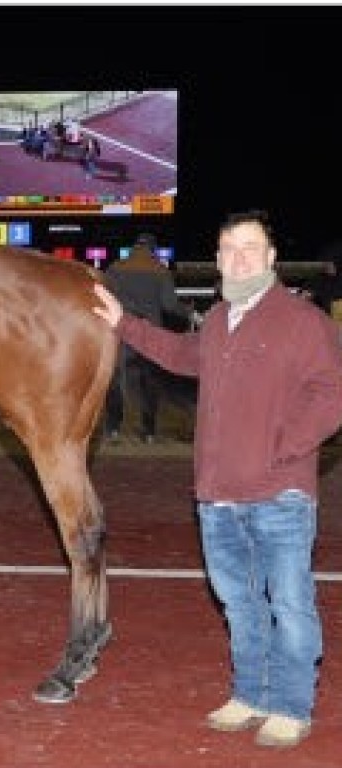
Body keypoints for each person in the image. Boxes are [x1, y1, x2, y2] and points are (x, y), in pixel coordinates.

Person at [92, 209, 342, 748]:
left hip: (279, 495)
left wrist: (283, 447)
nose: (240, 258)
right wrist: (122, 322)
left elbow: (331, 393)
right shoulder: (222, 319)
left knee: (290, 604)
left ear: (272, 258)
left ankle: (292, 704)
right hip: (217, 497)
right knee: (238, 602)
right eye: (230, 249)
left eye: (251, 248)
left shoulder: (302, 321)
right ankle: (250, 693)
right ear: (219, 259)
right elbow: (181, 355)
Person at [102, 233, 199, 443]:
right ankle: (148, 432)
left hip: (120, 331)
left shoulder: (115, 268)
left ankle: (113, 428)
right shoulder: (160, 270)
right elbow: (169, 305)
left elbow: (106, 296)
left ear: (134, 247)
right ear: (153, 249)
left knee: (115, 380)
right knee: (149, 384)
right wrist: (188, 311)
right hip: (149, 336)